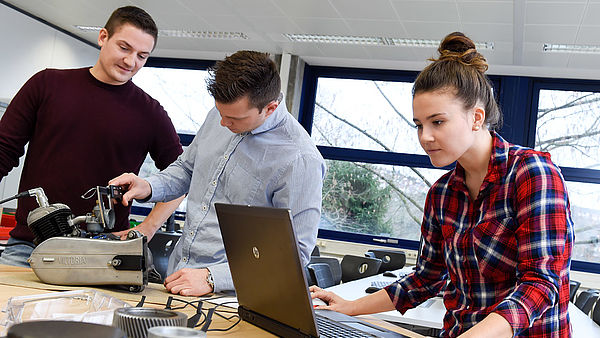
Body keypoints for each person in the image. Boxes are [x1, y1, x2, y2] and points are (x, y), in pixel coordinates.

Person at [310, 32, 574, 338]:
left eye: (437, 122)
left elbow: (541, 284)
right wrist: (349, 307)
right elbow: (426, 278)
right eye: (419, 125)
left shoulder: (531, 173)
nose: (425, 137)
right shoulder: (441, 194)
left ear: (476, 118)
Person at [109, 50, 326, 297]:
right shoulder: (221, 115)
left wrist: (214, 278)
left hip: (231, 296)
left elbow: (295, 256)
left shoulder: (300, 160)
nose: (223, 123)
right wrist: (148, 186)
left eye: (234, 118)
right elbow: (187, 169)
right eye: (220, 113)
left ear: (270, 108)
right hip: (178, 275)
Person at [0, 6, 183, 267]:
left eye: (142, 56)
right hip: (30, 248)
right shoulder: (47, 85)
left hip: (104, 256)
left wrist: (148, 227)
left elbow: (181, 177)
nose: (131, 62)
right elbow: (3, 150)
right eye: (124, 48)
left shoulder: (150, 113)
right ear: (103, 37)